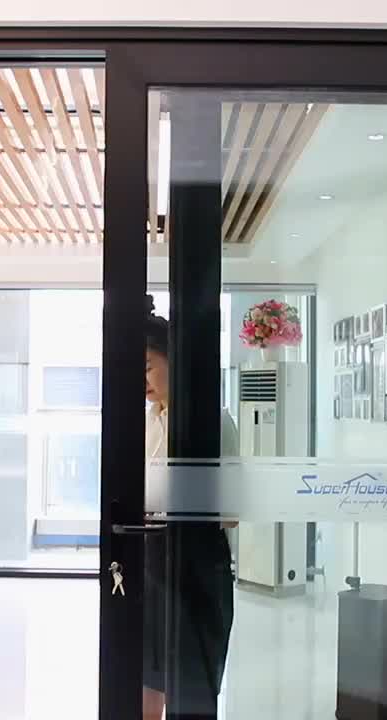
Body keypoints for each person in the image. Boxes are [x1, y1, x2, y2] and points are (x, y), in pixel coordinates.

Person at [143, 302, 238, 720]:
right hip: (149, 560)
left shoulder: (213, 422)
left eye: (147, 367)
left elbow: (231, 512)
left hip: (197, 565)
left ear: (174, 360)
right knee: (144, 684)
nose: (141, 381)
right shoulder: (145, 422)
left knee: (193, 688)